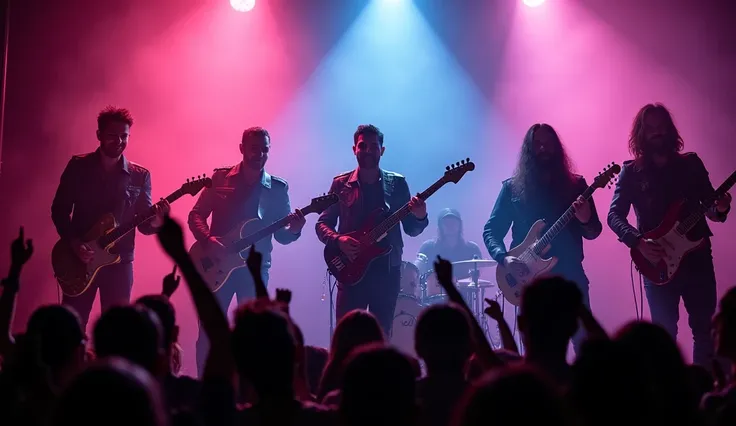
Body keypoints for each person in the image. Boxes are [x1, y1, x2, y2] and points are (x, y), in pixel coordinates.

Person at [607, 103, 731, 367]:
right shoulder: (631, 172)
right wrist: (638, 242)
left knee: (705, 332)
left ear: (671, 130)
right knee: (663, 337)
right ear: (641, 133)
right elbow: (613, 216)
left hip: (697, 260)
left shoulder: (692, 164)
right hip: (657, 261)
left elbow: (710, 206)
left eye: (662, 127)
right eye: (651, 128)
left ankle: (703, 392)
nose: (658, 133)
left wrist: (720, 208)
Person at [188, 126, 306, 375]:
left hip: (255, 270)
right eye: (255, 149)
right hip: (216, 264)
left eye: (265, 150)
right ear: (242, 149)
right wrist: (208, 240)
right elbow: (196, 215)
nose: (260, 154)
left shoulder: (277, 188)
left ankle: (248, 391)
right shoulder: (219, 178)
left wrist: (295, 229)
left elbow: (283, 236)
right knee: (210, 330)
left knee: (254, 333)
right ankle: (205, 386)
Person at [483, 123, 602, 353]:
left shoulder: (576, 185)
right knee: (537, 353)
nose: (543, 148)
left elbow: (594, 231)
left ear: (557, 148)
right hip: (529, 282)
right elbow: (491, 231)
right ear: (529, 150)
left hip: (570, 278)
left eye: (548, 143)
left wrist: (586, 218)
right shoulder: (512, 188)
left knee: (585, 346)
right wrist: (504, 259)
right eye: (537, 144)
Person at [51, 106, 169, 329]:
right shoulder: (78, 166)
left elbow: (144, 226)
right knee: (72, 328)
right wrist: (75, 243)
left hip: (120, 262)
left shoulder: (139, 175)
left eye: (124, 136)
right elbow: (59, 210)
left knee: (117, 331)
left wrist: (159, 220)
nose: (119, 141)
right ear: (99, 135)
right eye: (112, 136)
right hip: (79, 259)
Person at [316, 124, 428, 335]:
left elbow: (412, 229)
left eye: (373, 146)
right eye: (362, 146)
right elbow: (322, 224)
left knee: (382, 334)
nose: (368, 151)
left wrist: (420, 215)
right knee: (347, 336)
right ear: (354, 149)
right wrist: (339, 240)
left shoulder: (397, 184)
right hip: (350, 270)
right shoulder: (341, 184)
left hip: (387, 272)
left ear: (382, 150)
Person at [415, 208, 484, 295]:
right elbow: (416, 272)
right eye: (446, 222)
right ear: (440, 226)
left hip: (463, 298)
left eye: (453, 222)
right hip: (433, 299)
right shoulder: (427, 247)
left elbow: (478, 272)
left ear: (460, 225)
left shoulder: (472, 249)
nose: (450, 225)